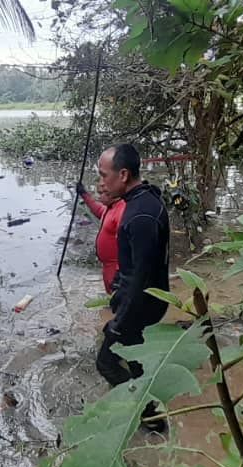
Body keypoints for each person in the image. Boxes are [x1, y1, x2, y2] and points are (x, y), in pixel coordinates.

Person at [94, 144, 170, 391]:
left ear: (124, 175)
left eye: (104, 175)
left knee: (106, 363)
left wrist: (122, 320)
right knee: (133, 355)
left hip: (142, 305)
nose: (101, 182)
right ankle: (146, 394)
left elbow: (142, 277)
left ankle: (143, 409)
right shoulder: (142, 199)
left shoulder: (140, 216)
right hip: (141, 300)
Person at [76, 181, 126, 294]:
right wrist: (84, 194)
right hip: (108, 266)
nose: (98, 197)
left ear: (111, 194)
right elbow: (98, 210)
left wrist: (119, 271)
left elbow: (126, 243)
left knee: (118, 300)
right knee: (111, 299)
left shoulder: (121, 209)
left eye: (101, 194)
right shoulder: (110, 208)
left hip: (116, 267)